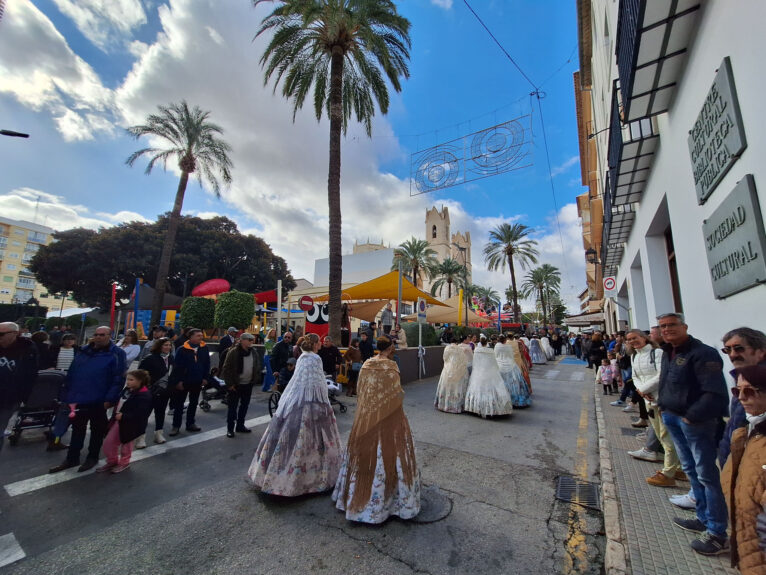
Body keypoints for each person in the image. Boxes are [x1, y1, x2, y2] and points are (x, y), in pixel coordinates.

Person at [657, 312, 730, 556]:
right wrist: (663, 406)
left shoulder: (704, 353)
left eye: (671, 325)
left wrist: (691, 416)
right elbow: (667, 383)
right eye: (662, 326)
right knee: (691, 471)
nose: (666, 330)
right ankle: (703, 518)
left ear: (684, 326)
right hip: (672, 417)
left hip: (696, 423)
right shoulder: (669, 351)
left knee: (707, 475)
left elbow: (715, 393)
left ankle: (718, 532)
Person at [332, 335, 420, 523]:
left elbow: (361, 390)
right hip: (389, 416)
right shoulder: (391, 366)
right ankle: (389, 500)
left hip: (368, 415)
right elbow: (397, 392)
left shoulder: (366, 365)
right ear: (390, 348)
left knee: (365, 452)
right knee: (389, 453)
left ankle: (359, 495)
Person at [248, 333, 342, 495]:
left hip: (296, 401)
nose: (320, 344)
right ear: (314, 344)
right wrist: (324, 402)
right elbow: (317, 383)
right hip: (312, 402)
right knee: (314, 440)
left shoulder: (302, 357)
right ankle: (311, 478)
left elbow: (299, 382)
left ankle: (276, 475)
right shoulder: (314, 359)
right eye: (319, 341)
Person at [49, 326, 126, 473]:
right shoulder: (84, 350)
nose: (98, 337)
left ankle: (92, 457)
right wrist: (66, 392)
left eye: (102, 335)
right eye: (96, 334)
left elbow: (118, 378)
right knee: (77, 429)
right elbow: (73, 371)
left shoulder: (117, 354)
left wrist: (110, 398)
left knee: (97, 431)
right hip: (78, 398)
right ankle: (72, 458)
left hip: (99, 399)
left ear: (110, 336)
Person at [624, 329, 684, 487]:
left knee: (666, 435)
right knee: (659, 433)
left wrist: (644, 390)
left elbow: (662, 374)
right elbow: (635, 376)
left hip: (661, 399)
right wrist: (641, 391)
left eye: (635, 338)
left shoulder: (657, 353)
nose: (632, 342)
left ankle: (668, 473)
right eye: (629, 339)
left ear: (644, 338)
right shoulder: (634, 356)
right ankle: (678, 468)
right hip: (647, 399)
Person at [721, 364, 766, 574]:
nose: (740, 397)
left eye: (749, 391)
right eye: (736, 390)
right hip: (747, 542)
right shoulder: (748, 431)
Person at [718, 327, 766, 468]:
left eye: (738, 349)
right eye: (727, 350)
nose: (732, 355)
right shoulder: (740, 377)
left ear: (761, 351)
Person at [96, 370, 153, 474]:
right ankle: (112, 461)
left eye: (131, 380)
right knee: (109, 443)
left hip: (130, 424)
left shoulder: (144, 395)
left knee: (126, 444)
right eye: (127, 379)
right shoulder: (128, 390)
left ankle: (124, 462)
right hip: (118, 420)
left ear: (140, 381)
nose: (128, 382)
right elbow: (120, 400)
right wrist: (111, 404)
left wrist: (124, 416)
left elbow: (141, 413)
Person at [0, 322, 38, 452]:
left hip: (8, 398)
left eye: (2, 334)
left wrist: (23, 397)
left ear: (15, 333)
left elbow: (30, 375)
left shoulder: (27, 350)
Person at [168, 328, 210, 436]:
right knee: (179, 404)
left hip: (197, 381)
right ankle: (176, 426)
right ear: (190, 337)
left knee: (193, 403)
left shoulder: (204, 348)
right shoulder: (182, 350)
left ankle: (190, 423)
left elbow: (206, 364)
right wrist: (178, 381)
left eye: (201, 335)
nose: (201, 337)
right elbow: (177, 367)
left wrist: (205, 378)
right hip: (184, 381)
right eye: (198, 336)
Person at [220, 332, 261, 438]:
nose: (252, 341)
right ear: (242, 340)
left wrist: (255, 378)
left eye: (252, 340)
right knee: (232, 408)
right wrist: (230, 384)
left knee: (244, 406)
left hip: (248, 384)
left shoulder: (253, 352)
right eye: (249, 339)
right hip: (235, 385)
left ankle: (240, 425)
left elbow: (257, 365)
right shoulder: (233, 352)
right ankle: (230, 429)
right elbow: (226, 368)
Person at [464, 336, 513, 418]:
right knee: (493, 389)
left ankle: (476, 407)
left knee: (477, 389)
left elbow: (474, 362)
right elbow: (493, 362)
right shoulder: (490, 351)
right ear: (487, 343)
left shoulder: (476, 350)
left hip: (478, 371)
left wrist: (475, 371)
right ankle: (492, 407)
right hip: (489, 371)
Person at [138, 337, 174, 445]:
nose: (168, 347)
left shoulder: (171, 358)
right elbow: (140, 374)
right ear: (159, 346)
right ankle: (140, 438)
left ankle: (158, 434)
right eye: (165, 345)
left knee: (160, 412)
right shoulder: (150, 358)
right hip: (150, 391)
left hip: (164, 391)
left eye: (169, 345)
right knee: (145, 413)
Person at [495, 335, 531, 407]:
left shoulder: (496, 346)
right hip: (510, 365)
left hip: (499, 365)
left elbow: (496, 355)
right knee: (514, 382)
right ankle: (514, 399)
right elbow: (511, 356)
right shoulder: (508, 347)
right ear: (505, 340)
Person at [434, 342, 469, 413]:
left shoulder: (447, 348)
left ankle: (444, 405)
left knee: (446, 387)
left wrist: (447, 364)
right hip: (458, 369)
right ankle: (456, 406)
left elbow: (445, 358)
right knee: (457, 388)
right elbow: (463, 359)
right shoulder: (459, 349)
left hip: (448, 368)